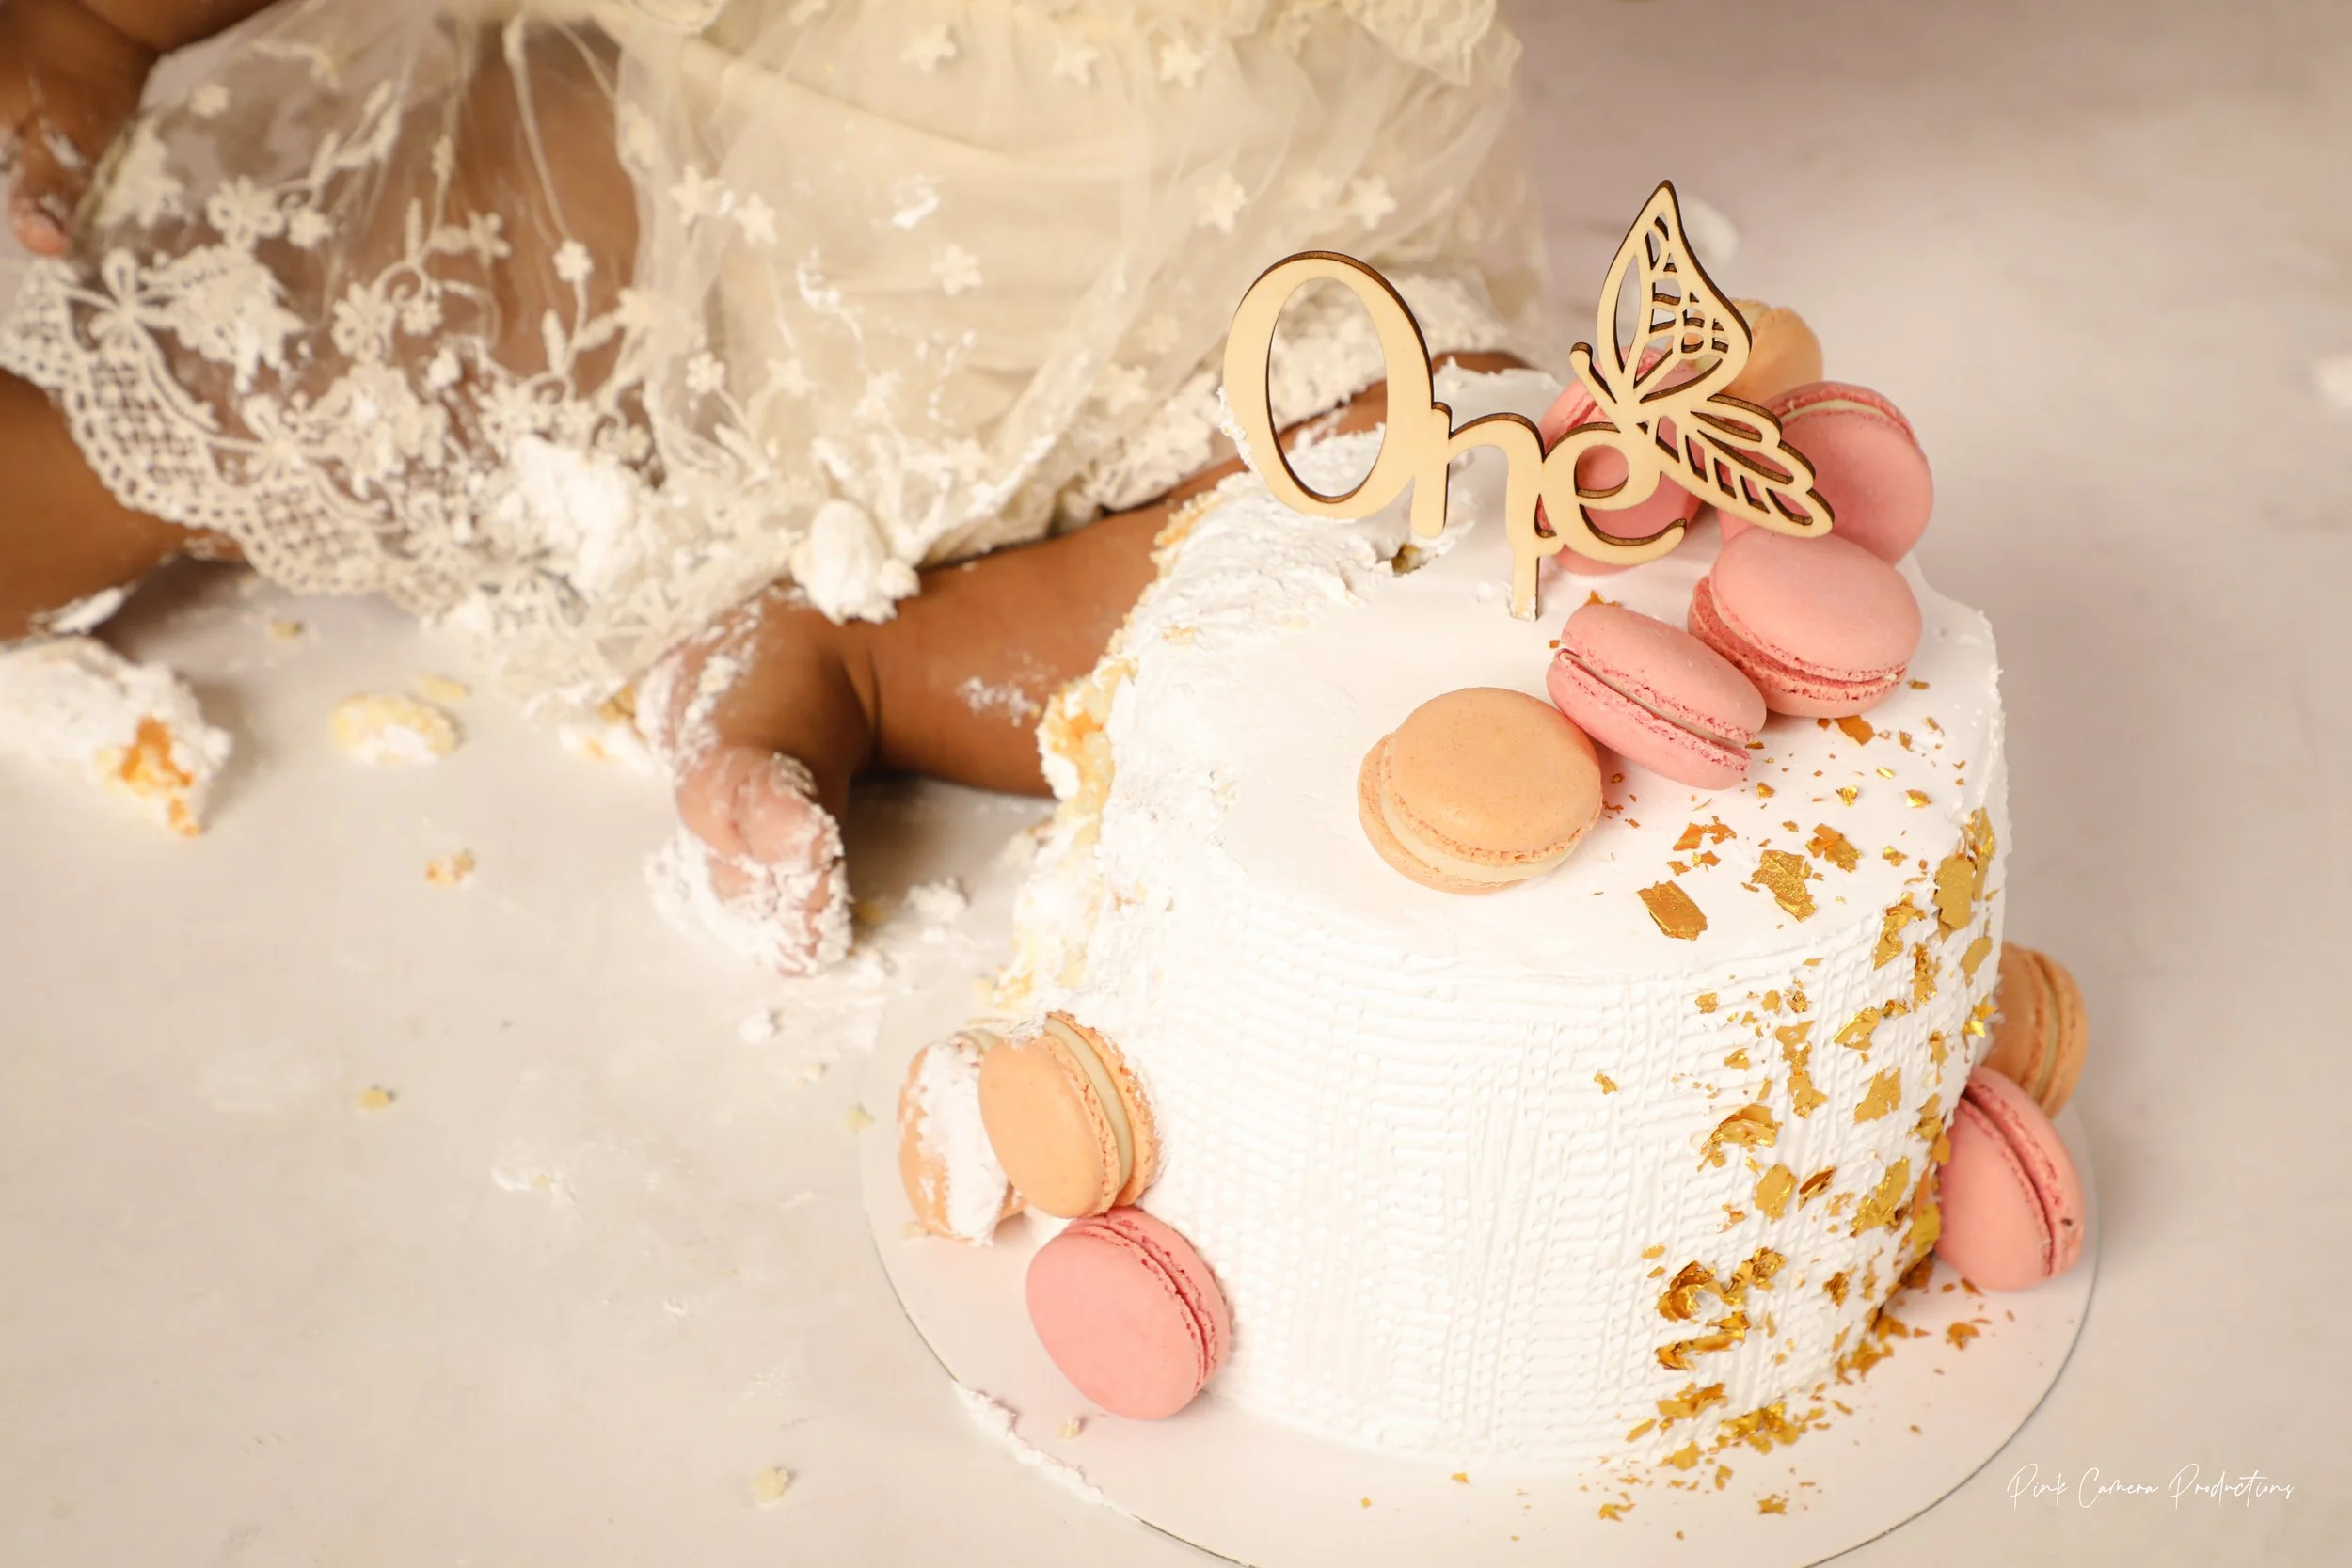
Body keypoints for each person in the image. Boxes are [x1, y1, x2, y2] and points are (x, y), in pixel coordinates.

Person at [0, 0, 1545, 970]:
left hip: (1254, 254)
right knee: (323, 342)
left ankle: (867, 657)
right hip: (737, 179)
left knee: (1438, 482)